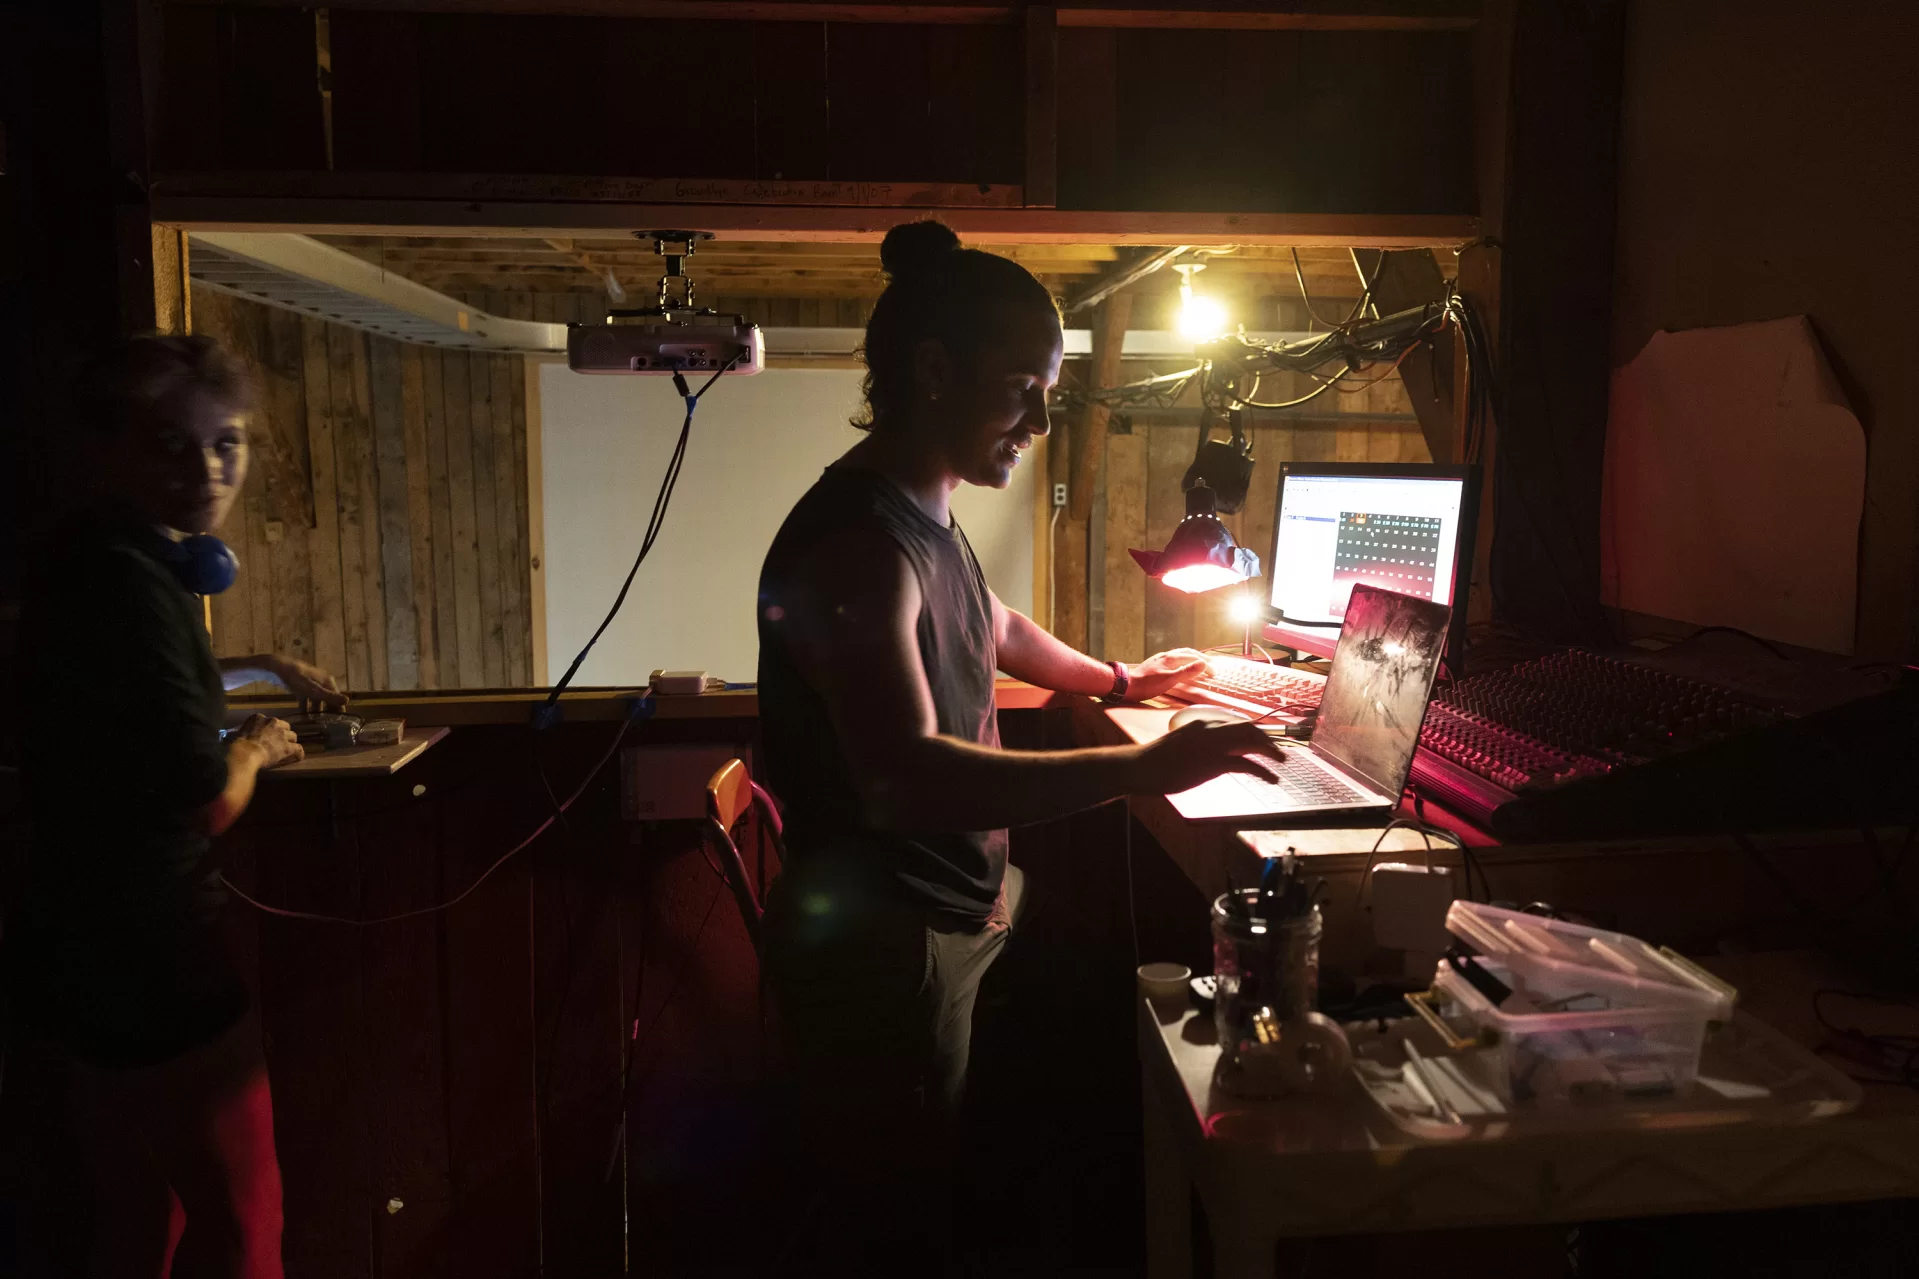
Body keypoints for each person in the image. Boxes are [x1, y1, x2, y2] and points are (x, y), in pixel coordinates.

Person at [754, 221, 1282, 1262]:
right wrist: (1140, 764)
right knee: (903, 1217)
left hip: (964, 903)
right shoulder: (857, 547)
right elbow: (906, 779)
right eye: (1023, 388)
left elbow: (992, 625)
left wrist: (1123, 677)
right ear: (935, 372)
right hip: (894, 944)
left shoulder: (923, 511)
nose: (1042, 417)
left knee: (1095, 1024)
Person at [7, 335, 345, 1278]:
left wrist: (265, 665)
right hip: (157, 958)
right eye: (173, 444)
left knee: (132, 1227)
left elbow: (146, 705)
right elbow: (205, 801)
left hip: (75, 952)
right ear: (113, 449)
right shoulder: (132, 586)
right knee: (246, 1224)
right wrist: (259, 746)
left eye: (226, 443)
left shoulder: (93, 559)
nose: (207, 470)